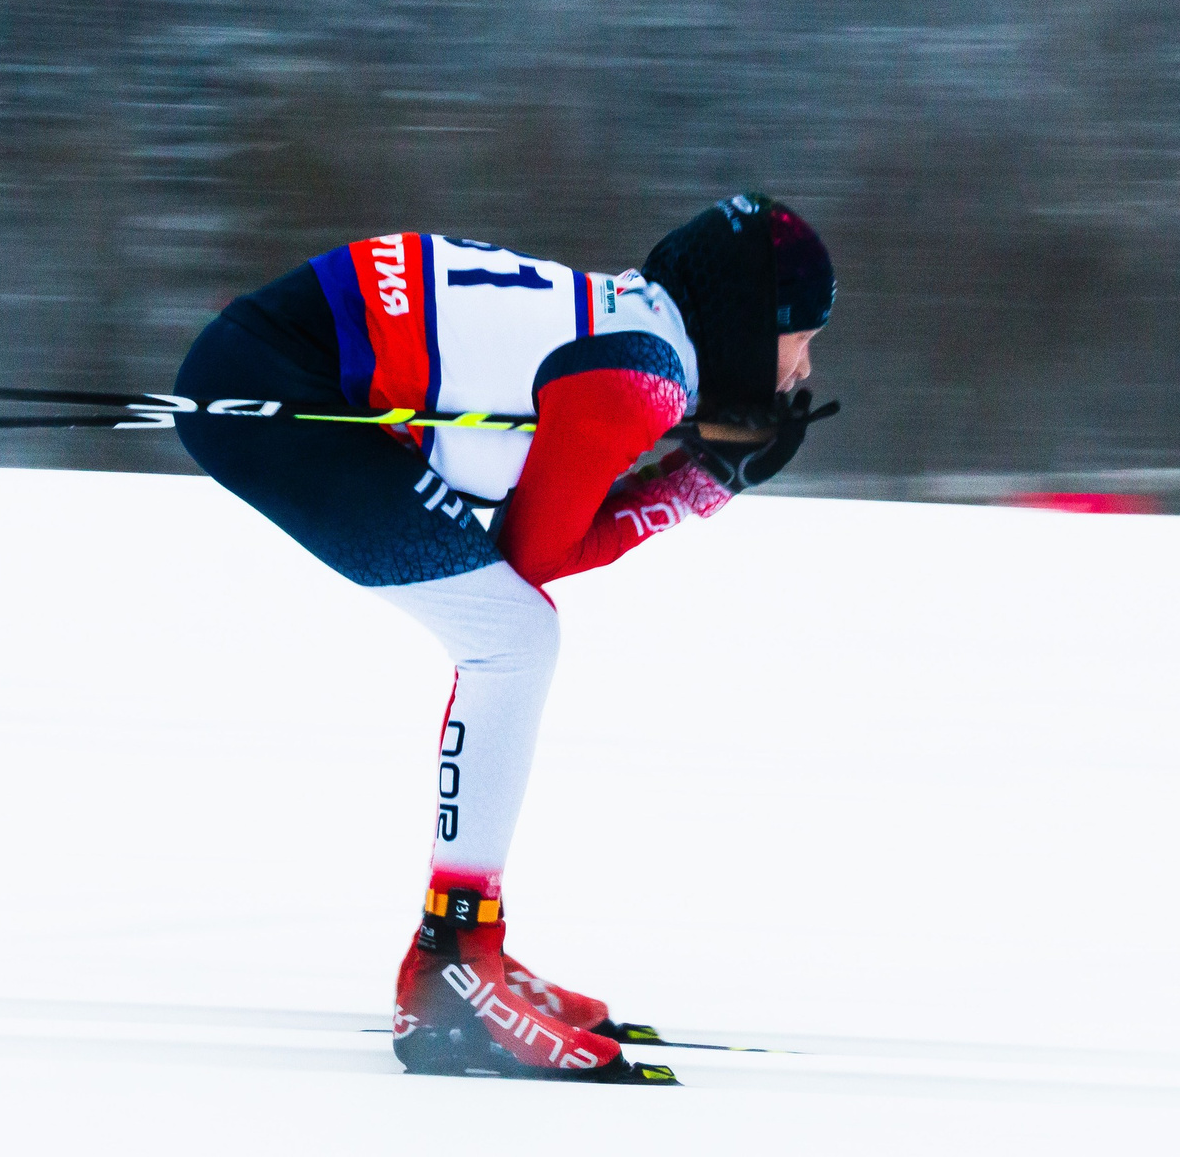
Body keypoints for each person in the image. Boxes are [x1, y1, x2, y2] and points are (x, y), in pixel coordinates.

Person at [175, 194, 836, 1083]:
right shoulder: (641, 374)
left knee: (509, 631)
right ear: (753, 324)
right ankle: (453, 966)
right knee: (513, 638)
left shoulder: (638, 330)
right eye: (803, 334)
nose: (803, 367)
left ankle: (464, 949)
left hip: (275, 354)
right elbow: (534, 555)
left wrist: (696, 462)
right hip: (281, 382)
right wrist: (703, 480)